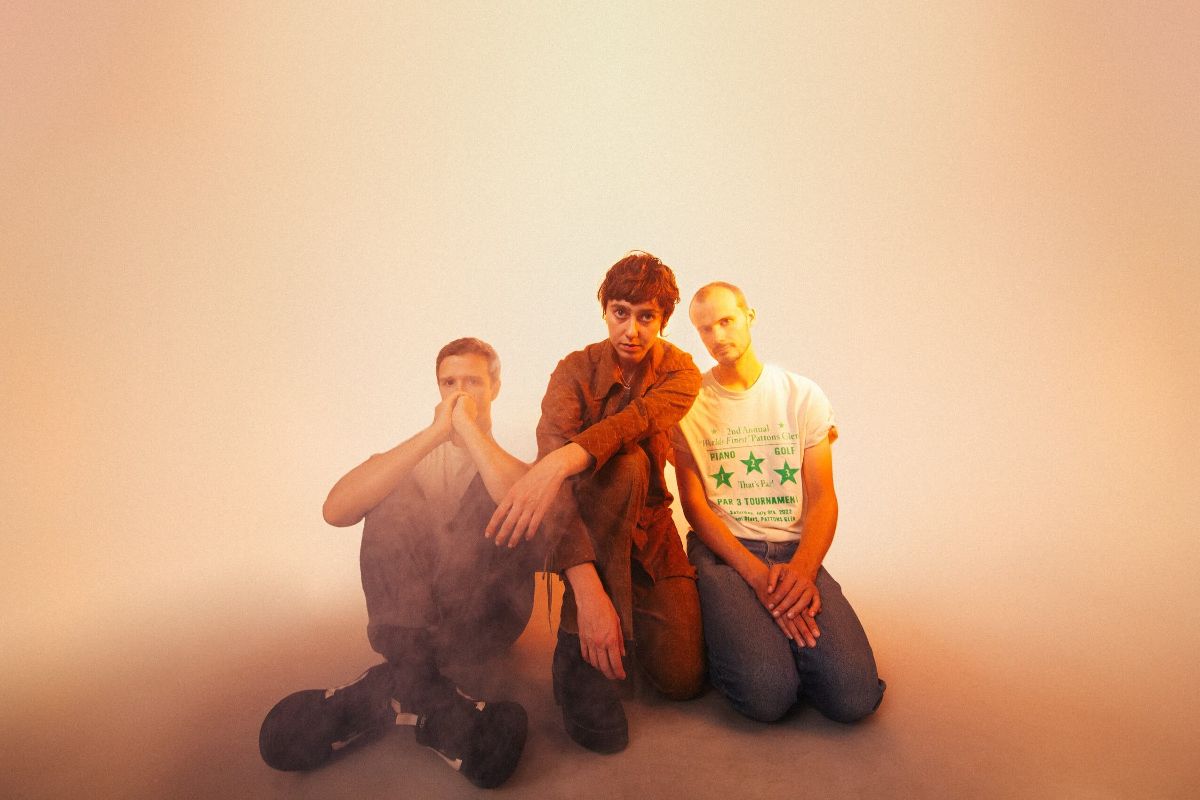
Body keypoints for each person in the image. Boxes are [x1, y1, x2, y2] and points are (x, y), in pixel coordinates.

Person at [258, 338, 539, 789]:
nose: (460, 394)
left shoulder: (515, 469)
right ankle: (421, 691)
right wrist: (434, 434)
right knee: (390, 494)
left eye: (472, 382)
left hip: (484, 628)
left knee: (499, 501)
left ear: (496, 387)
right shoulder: (416, 458)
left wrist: (470, 433)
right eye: (449, 383)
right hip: (417, 629)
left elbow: (522, 503)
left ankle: (397, 686)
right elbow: (336, 511)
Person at [487, 252, 705, 754]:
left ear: (663, 320)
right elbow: (554, 494)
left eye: (646, 316)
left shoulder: (681, 372)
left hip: (651, 533)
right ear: (605, 310)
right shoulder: (573, 370)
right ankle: (575, 650)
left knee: (683, 679)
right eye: (620, 312)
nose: (631, 330)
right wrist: (586, 593)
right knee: (625, 467)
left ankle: (622, 617)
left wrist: (566, 458)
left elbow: (637, 420)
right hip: (579, 527)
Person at [671, 282, 884, 724]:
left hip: (794, 552)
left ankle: (786, 647)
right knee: (766, 698)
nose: (717, 336)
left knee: (855, 699)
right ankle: (744, 642)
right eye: (705, 329)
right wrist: (756, 577)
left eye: (726, 320)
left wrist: (802, 571)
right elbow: (694, 506)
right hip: (726, 553)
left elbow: (822, 497)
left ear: (750, 316)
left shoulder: (801, 395)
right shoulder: (689, 405)